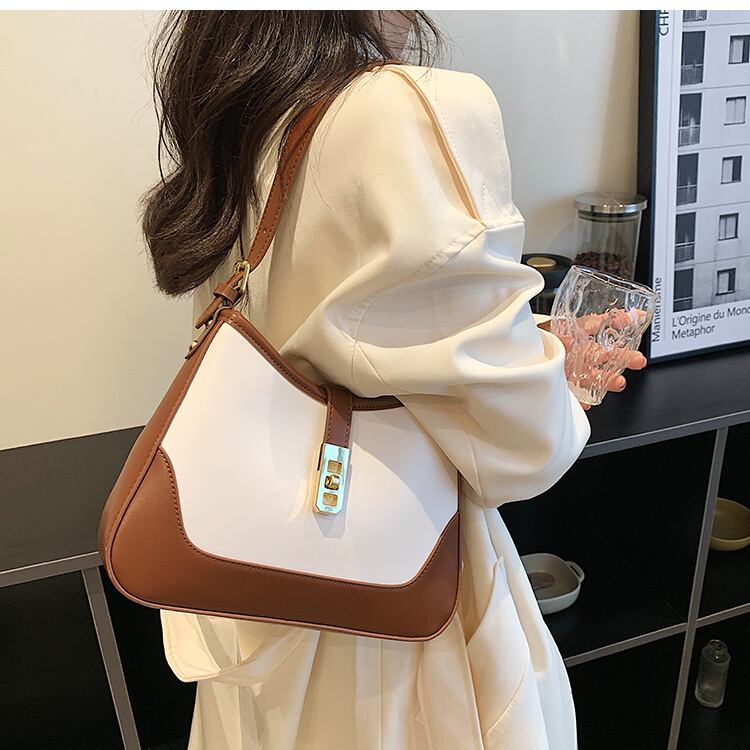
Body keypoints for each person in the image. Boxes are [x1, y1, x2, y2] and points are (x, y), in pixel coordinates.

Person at [141, 11, 646, 750]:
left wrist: (524, 345)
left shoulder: (241, 103)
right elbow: (522, 448)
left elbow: (335, 333)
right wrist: (555, 377)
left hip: (259, 596)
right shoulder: (397, 109)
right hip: (391, 630)